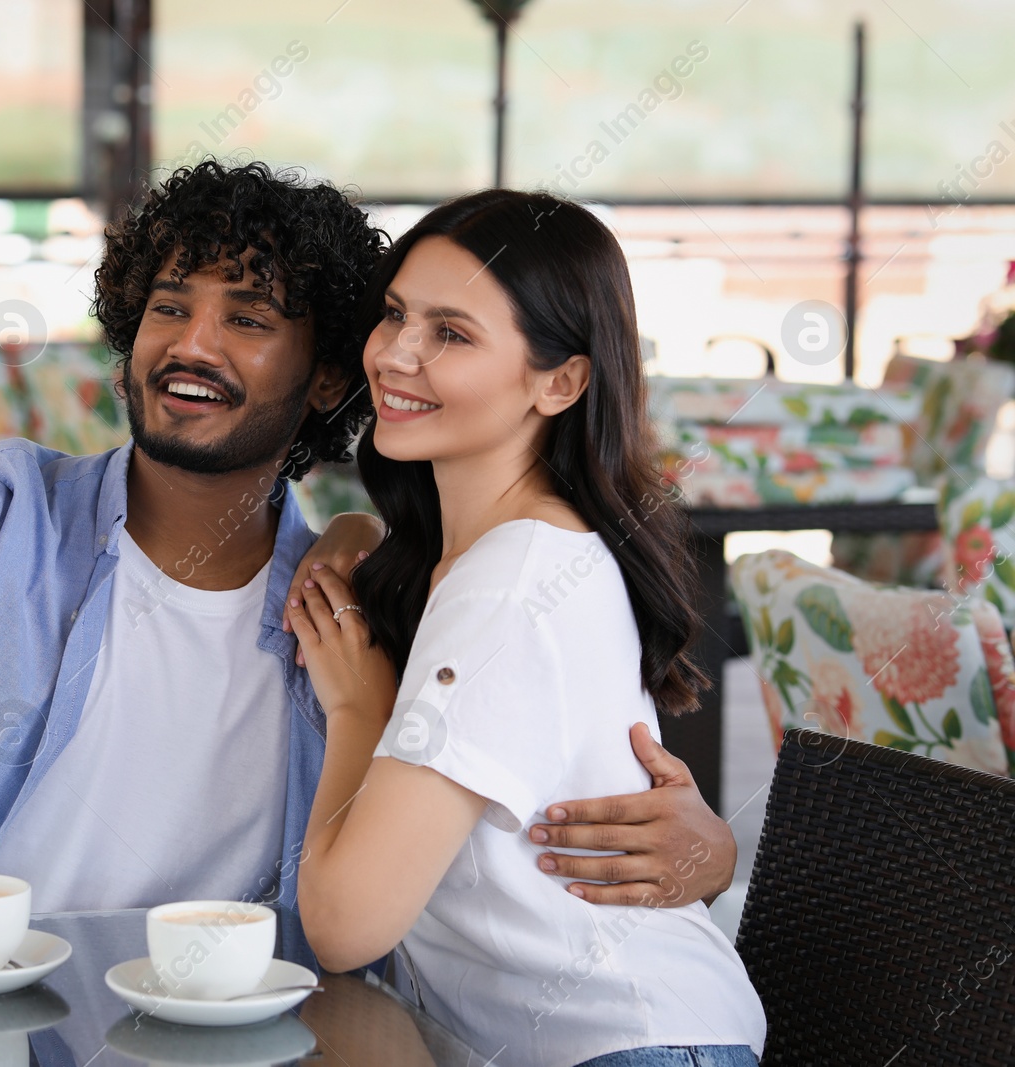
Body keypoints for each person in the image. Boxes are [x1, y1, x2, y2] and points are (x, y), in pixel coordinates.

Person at [0, 161, 736, 936]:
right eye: (167, 305)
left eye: (247, 318)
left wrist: (709, 849)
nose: (190, 342)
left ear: (330, 374)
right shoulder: (5, 515)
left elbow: (506, 800)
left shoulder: (357, 609)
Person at [291, 189, 766, 1066]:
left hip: (627, 1047)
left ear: (562, 380)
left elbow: (344, 924)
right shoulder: (511, 552)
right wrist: (353, 536)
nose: (395, 354)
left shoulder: (509, 588)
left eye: (451, 333)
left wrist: (362, 708)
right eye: (396, 314)